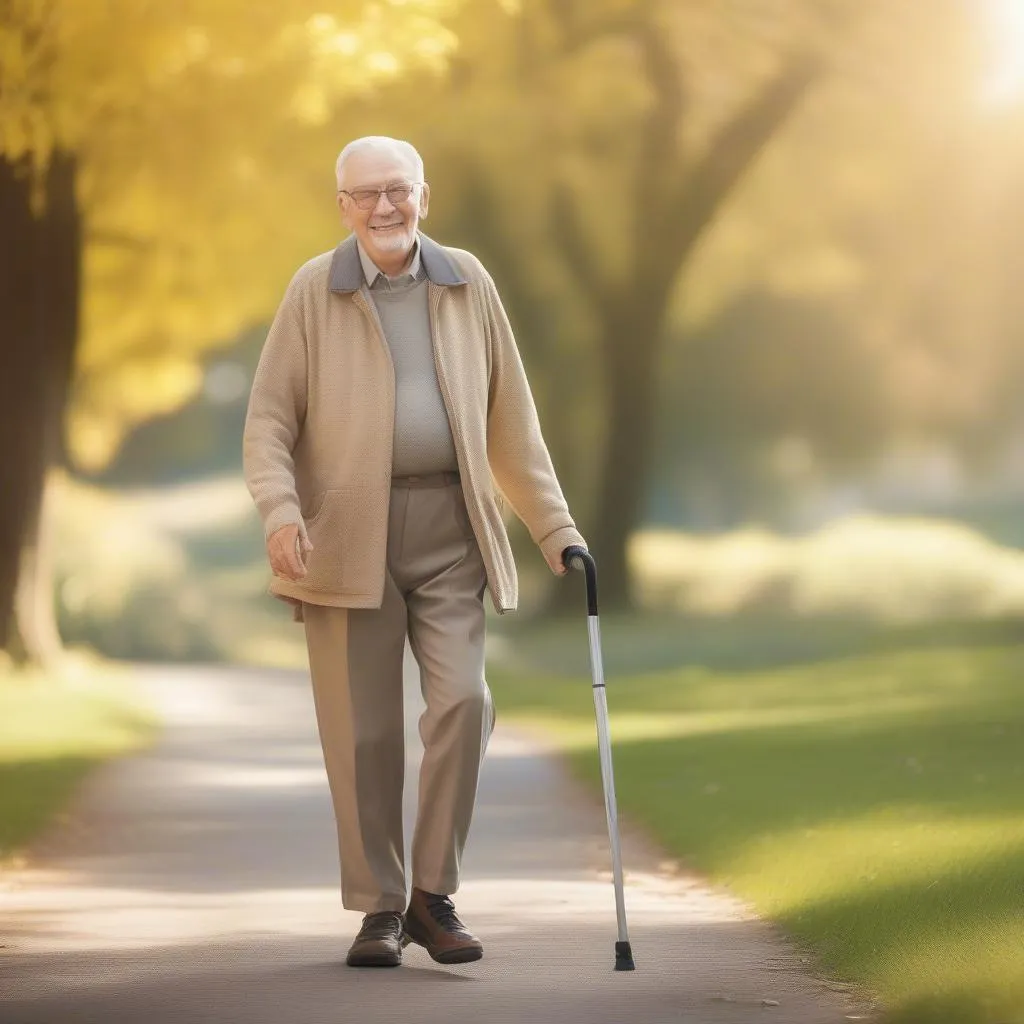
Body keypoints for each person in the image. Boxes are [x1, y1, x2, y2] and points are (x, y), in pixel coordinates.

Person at [242, 135, 587, 968]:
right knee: (361, 735)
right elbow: (268, 422)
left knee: (465, 703)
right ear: (343, 207)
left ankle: (433, 895)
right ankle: (380, 910)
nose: (384, 207)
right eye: (366, 194)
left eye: (398, 189)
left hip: (450, 531)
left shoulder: (465, 281)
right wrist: (281, 510)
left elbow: (512, 423)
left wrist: (556, 528)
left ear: (424, 196)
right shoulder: (312, 292)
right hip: (342, 537)